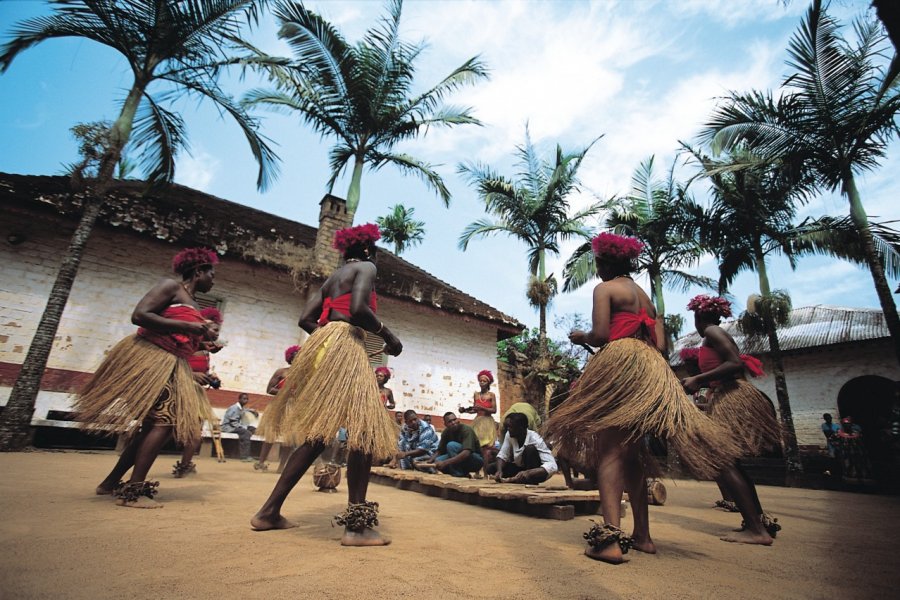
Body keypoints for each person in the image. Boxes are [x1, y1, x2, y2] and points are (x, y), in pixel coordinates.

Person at [544, 233, 741, 564]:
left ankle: (608, 541)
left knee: (609, 452)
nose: (597, 270)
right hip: (649, 369)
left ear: (606, 263)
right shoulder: (645, 298)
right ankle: (643, 537)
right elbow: (662, 345)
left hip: (621, 364)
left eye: (598, 264)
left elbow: (603, 334)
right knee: (633, 456)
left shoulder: (605, 289)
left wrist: (583, 337)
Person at [251, 223, 401, 547]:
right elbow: (360, 309)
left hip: (323, 349)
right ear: (365, 250)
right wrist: (388, 335)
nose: (375, 257)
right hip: (346, 348)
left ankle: (269, 511)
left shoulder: (331, 279)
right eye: (374, 251)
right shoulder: (367, 266)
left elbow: (306, 319)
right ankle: (357, 527)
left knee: (319, 434)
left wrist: (330, 333)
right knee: (363, 430)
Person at [74, 247, 220, 507]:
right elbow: (140, 315)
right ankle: (134, 491)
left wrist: (204, 340)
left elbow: (181, 339)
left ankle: (110, 483)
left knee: (152, 428)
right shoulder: (171, 287)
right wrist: (190, 326)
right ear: (198, 271)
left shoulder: (193, 303)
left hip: (172, 365)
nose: (213, 279)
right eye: (211, 273)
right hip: (151, 358)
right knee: (164, 423)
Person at [681, 294, 783, 541]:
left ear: (699, 315)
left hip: (733, 394)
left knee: (722, 460)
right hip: (725, 394)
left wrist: (698, 379)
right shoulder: (712, 335)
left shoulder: (713, 332)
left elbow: (735, 364)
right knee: (731, 462)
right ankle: (757, 522)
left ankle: (756, 529)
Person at [173, 306, 225, 477]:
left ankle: (184, 465)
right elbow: (174, 364)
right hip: (178, 389)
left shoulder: (203, 349)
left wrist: (210, 378)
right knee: (166, 428)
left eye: (218, 330)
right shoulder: (186, 342)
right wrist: (192, 375)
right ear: (203, 326)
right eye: (215, 330)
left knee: (196, 431)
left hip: (196, 393)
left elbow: (200, 370)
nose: (217, 334)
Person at [255, 345, 302, 472]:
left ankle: (282, 466)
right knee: (270, 435)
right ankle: (261, 462)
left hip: (293, 407)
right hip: (277, 406)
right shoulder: (281, 372)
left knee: (289, 438)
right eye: (296, 355)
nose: (298, 357)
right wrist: (284, 392)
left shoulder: (303, 375)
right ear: (290, 357)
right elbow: (269, 389)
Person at [490, 412, 557, 484]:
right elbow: (502, 455)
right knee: (492, 468)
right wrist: (499, 471)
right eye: (507, 427)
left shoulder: (535, 438)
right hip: (521, 469)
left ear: (521, 428)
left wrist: (529, 472)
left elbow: (553, 466)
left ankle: (530, 481)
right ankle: (518, 479)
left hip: (535, 472)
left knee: (530, 449)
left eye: (511, 427)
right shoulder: (509, 435)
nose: (508, 429)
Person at [418, 412, 484, 477]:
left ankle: (459, 474)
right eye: (450, 421)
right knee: (438, 460)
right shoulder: (446, 432)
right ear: (445, 424)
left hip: (476, 460)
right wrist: (429, 461)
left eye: (454, 420)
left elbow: (466, 453)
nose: (453, 423)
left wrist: (445, 462)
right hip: (460, 460)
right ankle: (463, 473)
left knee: (451, 445)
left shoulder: (466, 430)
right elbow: (440, 451)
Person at [460, 370, 499, 477]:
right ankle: (477, 472)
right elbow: (475, 410)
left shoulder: (492, 395)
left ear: (488, 383)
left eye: (484, 381)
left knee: (485, 449)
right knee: (476, 447)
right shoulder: (476, 395)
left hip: (487, 423)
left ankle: (486, 474)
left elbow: (494, 410)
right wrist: (465, 410)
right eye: (480, 381)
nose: (482, 382)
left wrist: (481, 407)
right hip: (477, 422)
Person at [221, 393, 258, 461]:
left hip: (235, 426)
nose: (246, 400)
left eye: (247, 399)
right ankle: (244, 456)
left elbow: (244, 410)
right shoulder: (234, 408)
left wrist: (251, 411)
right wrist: (243, 427)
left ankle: (246, 450)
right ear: (239, 399)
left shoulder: (241, 407)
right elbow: (233, 422)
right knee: (246, 433)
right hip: (228, 427)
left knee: (253, 429)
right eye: (244, 399)